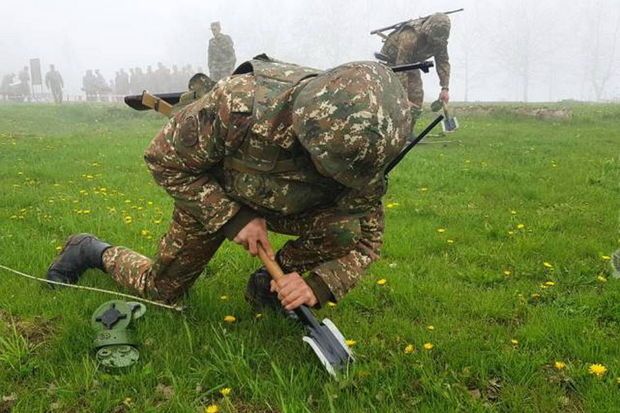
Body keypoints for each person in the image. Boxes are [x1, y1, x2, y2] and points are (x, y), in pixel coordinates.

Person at [46, 55, 411, 312]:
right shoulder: (239, 103)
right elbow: (163, 160)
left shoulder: (365, 153)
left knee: (344, 231)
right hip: (217, 192)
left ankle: (268, 289)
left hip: (290, 206)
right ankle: (89, 249)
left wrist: (317, 284)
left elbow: (366, 240)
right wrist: (232, 217)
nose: (332, 175)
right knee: (160, 292)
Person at [380, 13, 451, 127]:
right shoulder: (410, 36)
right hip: (392, 63)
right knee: (396, 99)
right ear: (427, 31)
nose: (434, 43)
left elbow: (443, 63)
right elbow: (401, 67)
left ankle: (407, 132)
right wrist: (403, 96)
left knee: (416, 96)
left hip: (411, 62)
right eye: (433, 39)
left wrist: (445, 88)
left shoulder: (440, 40)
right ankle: (391, 130)